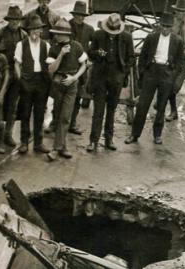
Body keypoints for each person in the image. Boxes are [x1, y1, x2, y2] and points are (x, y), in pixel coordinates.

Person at [125, 12, 184, 145]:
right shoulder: (151, 38)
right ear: (159, 25)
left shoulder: (177, 41)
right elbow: (143, 57)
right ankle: (134, 135)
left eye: (168, 27)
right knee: (142, 105)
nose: (165, 29)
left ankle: (157, 135)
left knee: (161, 106)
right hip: (151, 71)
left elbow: (180, 62)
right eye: (163, 26)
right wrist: (143, 73)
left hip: (166, 73)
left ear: (172, 27)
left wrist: (172, 74)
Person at [86, 13, 134, 152]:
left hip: (116, 79)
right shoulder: (98, 35)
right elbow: (90, 52)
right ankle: (93, 141)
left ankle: (109, 140)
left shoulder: (126, 37)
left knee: (111, 110)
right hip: (100, 77)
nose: (112, 34)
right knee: (98, 110)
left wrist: (123, 72)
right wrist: (97, 53)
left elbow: (131, 58)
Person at [46, 18, 87, 161]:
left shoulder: (77, 46)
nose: (55, 36)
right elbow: (51, 70)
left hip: (71, 85)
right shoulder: (54, 48)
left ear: (65, 34)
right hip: (58, 84)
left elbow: (84, 65)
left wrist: (74, 78)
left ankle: (55, 149)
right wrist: (61, 54)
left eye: (58, 33)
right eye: (55, 33)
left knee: (65, 117)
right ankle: (63, 147)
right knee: (58, 116)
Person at [14, 15, 50, 154]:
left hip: (41, 82)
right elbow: (17, 64)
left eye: (38, 29)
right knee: (25, 113)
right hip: (26, 82)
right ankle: (24, 142)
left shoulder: (46, 45)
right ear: (28, 31)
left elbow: (49, 64)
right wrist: (20, 80)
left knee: (40, 113)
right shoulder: (21, 44)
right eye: (33, 29)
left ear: (41, 31)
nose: (35, 32)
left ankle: (38, 143)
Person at [0, 5, 27, 147]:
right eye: (13, 19)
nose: (15, 22)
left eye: (17, 19)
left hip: (17, 74)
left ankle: (8, 134)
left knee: (13, 105)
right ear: (8, 20)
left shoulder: (24, 35)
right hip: (1, 75)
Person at [68, 0, 94, 134]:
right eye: (78, 15)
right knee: (60, 96)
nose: (80, 17)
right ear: (73, 14)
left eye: (82, 15)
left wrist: (92, 59)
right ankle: (55, 123)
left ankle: (72, 124)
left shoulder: (89, 30)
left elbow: (96, 48)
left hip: (81, 69)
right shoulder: (66, 26)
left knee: (77, 96)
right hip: (65, 67)